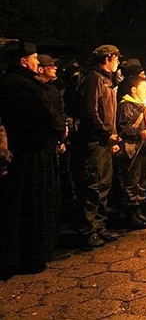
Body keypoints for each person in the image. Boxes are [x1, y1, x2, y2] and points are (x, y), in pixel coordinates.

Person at [0, 41, 66, 275]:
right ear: (23, 61)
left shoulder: (13, 83)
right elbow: (47, 114)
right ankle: (29, 255)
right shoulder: (22, 86)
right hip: (32, 155)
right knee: (31, 205)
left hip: (25, 152)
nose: (38, 63)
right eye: (35, 58)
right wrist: (61, 130)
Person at [74, 44, 122, 248]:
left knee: (104, 183)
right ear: (108, 58)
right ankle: (88, 230)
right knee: (92, 184)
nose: (118, 62)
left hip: (105, 141)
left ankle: (100, 226)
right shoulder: (94, 78)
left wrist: (113, 136)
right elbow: (90, 112)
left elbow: (110, 111)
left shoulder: (106, 80)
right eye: (116, 58)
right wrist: (105, 134)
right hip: (94, 142)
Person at [116, 75, 146, 229]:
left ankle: (139, 210)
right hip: (133, 149)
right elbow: (123, 127)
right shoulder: (126, 106)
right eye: (143, 87)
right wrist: (138, 133)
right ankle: (131, 213)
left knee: (144, 182)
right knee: (133, 181)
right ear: (134, 90)